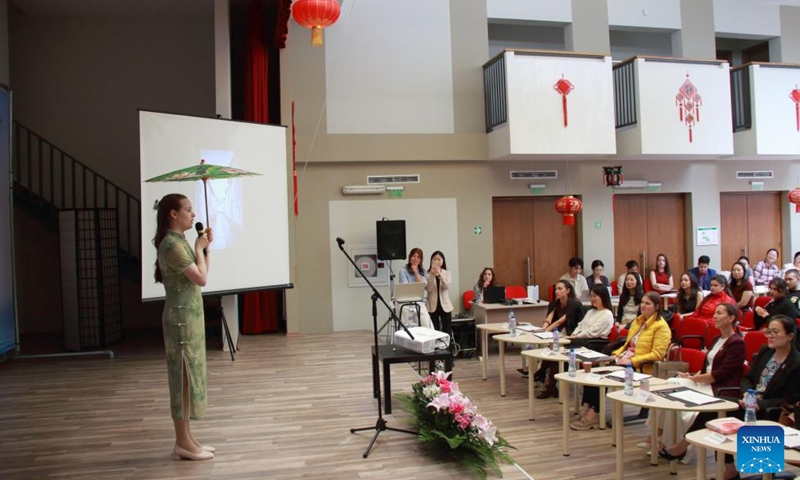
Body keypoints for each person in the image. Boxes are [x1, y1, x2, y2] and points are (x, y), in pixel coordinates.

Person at [663, 315, 800, 480]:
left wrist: (759, 404)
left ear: (790, 336)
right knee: (718, 408)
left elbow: (789, 399)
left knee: (720, 411)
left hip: (771, 411)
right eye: (768, 331)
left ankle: (684, 448)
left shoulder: (796, 363)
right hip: (749, 402)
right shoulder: (766, 352)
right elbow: (747, 378)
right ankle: (727, 469)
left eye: (775, 332)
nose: (769, 335)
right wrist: (745, 394)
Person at [153, 194, 215, 461]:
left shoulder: (180, 242)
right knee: (181, 378)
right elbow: (200, 278)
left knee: (190, 378)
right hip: (180, 320)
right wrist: (199, 249)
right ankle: (182, 442)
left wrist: (204, 248)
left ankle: (188, 439)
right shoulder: (171, 245)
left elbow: (202, 275)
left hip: (189, 316)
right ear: (173, 214)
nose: (193, 214)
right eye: (188, 210)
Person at [649, 303, 745, 455]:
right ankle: (661, 436)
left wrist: (696, 379)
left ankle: (675, 446)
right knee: (671, 384)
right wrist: (692, 376)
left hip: (718, 387)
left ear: (731, 318)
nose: (714, 316)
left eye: (719, 313)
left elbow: (719, 375)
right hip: (705, 380)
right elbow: (708, 366)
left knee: (679, 395)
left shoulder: (736, 343)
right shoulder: (716, 339)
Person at [571, 292, 671, 430]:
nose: (643, 306)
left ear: (657, 307)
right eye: (642, 302)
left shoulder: (661, 327)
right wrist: (615, 355)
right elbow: (627, 346)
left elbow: (657, 354)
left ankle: (593, 414)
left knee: (601, 375)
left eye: (647, 303)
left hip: (640, 366)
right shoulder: (638, 321)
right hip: (624, 358)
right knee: (593, 371)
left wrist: (632, 361)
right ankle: (586, 407)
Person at [532, 280, 584, 398]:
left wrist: (546, 331)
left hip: (572, 337)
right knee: (551, 350)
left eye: (560, 289)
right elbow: (548, 319)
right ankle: (545, 378)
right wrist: (542, 330)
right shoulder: (554, 304)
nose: (557, 291)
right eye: (556, 289)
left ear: (568, 290)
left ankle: (547, 382)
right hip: (557, 336)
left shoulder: (575, 305)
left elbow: (559, 322)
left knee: (554, 354)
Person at [425, 251, 453, 336]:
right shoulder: (427, 273)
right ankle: (435, 348)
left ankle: (448, 348)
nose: (437, 261)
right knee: (434, 330)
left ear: (442, 261)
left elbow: (446, 287)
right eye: (434, 259)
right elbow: (428, 289)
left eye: (439, 259)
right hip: (432, 305)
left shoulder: (447, 273)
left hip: (445, 305)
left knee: (447, 330)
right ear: (431, 261)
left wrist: (439, 274)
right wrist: (432, 275)